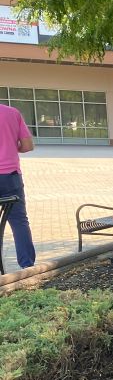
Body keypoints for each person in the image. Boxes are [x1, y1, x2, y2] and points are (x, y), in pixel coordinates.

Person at [0, 103, 36, 269]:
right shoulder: (12, 113)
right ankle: (27, 266)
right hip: (10, 176)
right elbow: (28, 145)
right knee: (19, 221)